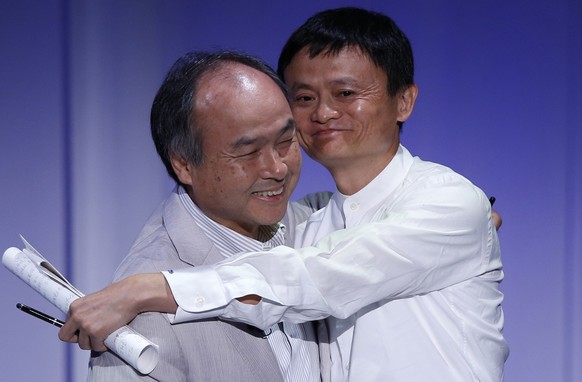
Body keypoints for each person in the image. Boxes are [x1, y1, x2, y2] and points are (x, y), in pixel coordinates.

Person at [60, 7, 508, 381]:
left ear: (404, 101)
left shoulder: (449, 205)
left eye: (346, 92)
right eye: (305, 98)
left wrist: (149, 288)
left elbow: (315, 277)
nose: (324, 113)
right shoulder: (308, 220)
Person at [83, 50, 329, 381]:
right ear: (184, 164)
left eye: (286, 140)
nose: (277, 167)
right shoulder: (139, 316)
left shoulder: (320, 222)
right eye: (248, 151)